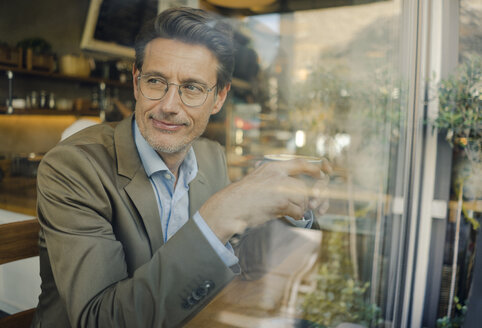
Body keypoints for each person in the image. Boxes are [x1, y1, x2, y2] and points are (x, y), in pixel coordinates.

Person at [32, 7, 327, 328]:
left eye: (192, 88)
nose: (169, 106)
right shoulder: (73, 166)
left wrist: (291, 205)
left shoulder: (210, 155)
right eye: (156, 81)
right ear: (136, 82)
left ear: (219, 98)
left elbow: (244, 264)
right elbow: (100, 321)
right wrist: (218, 216)